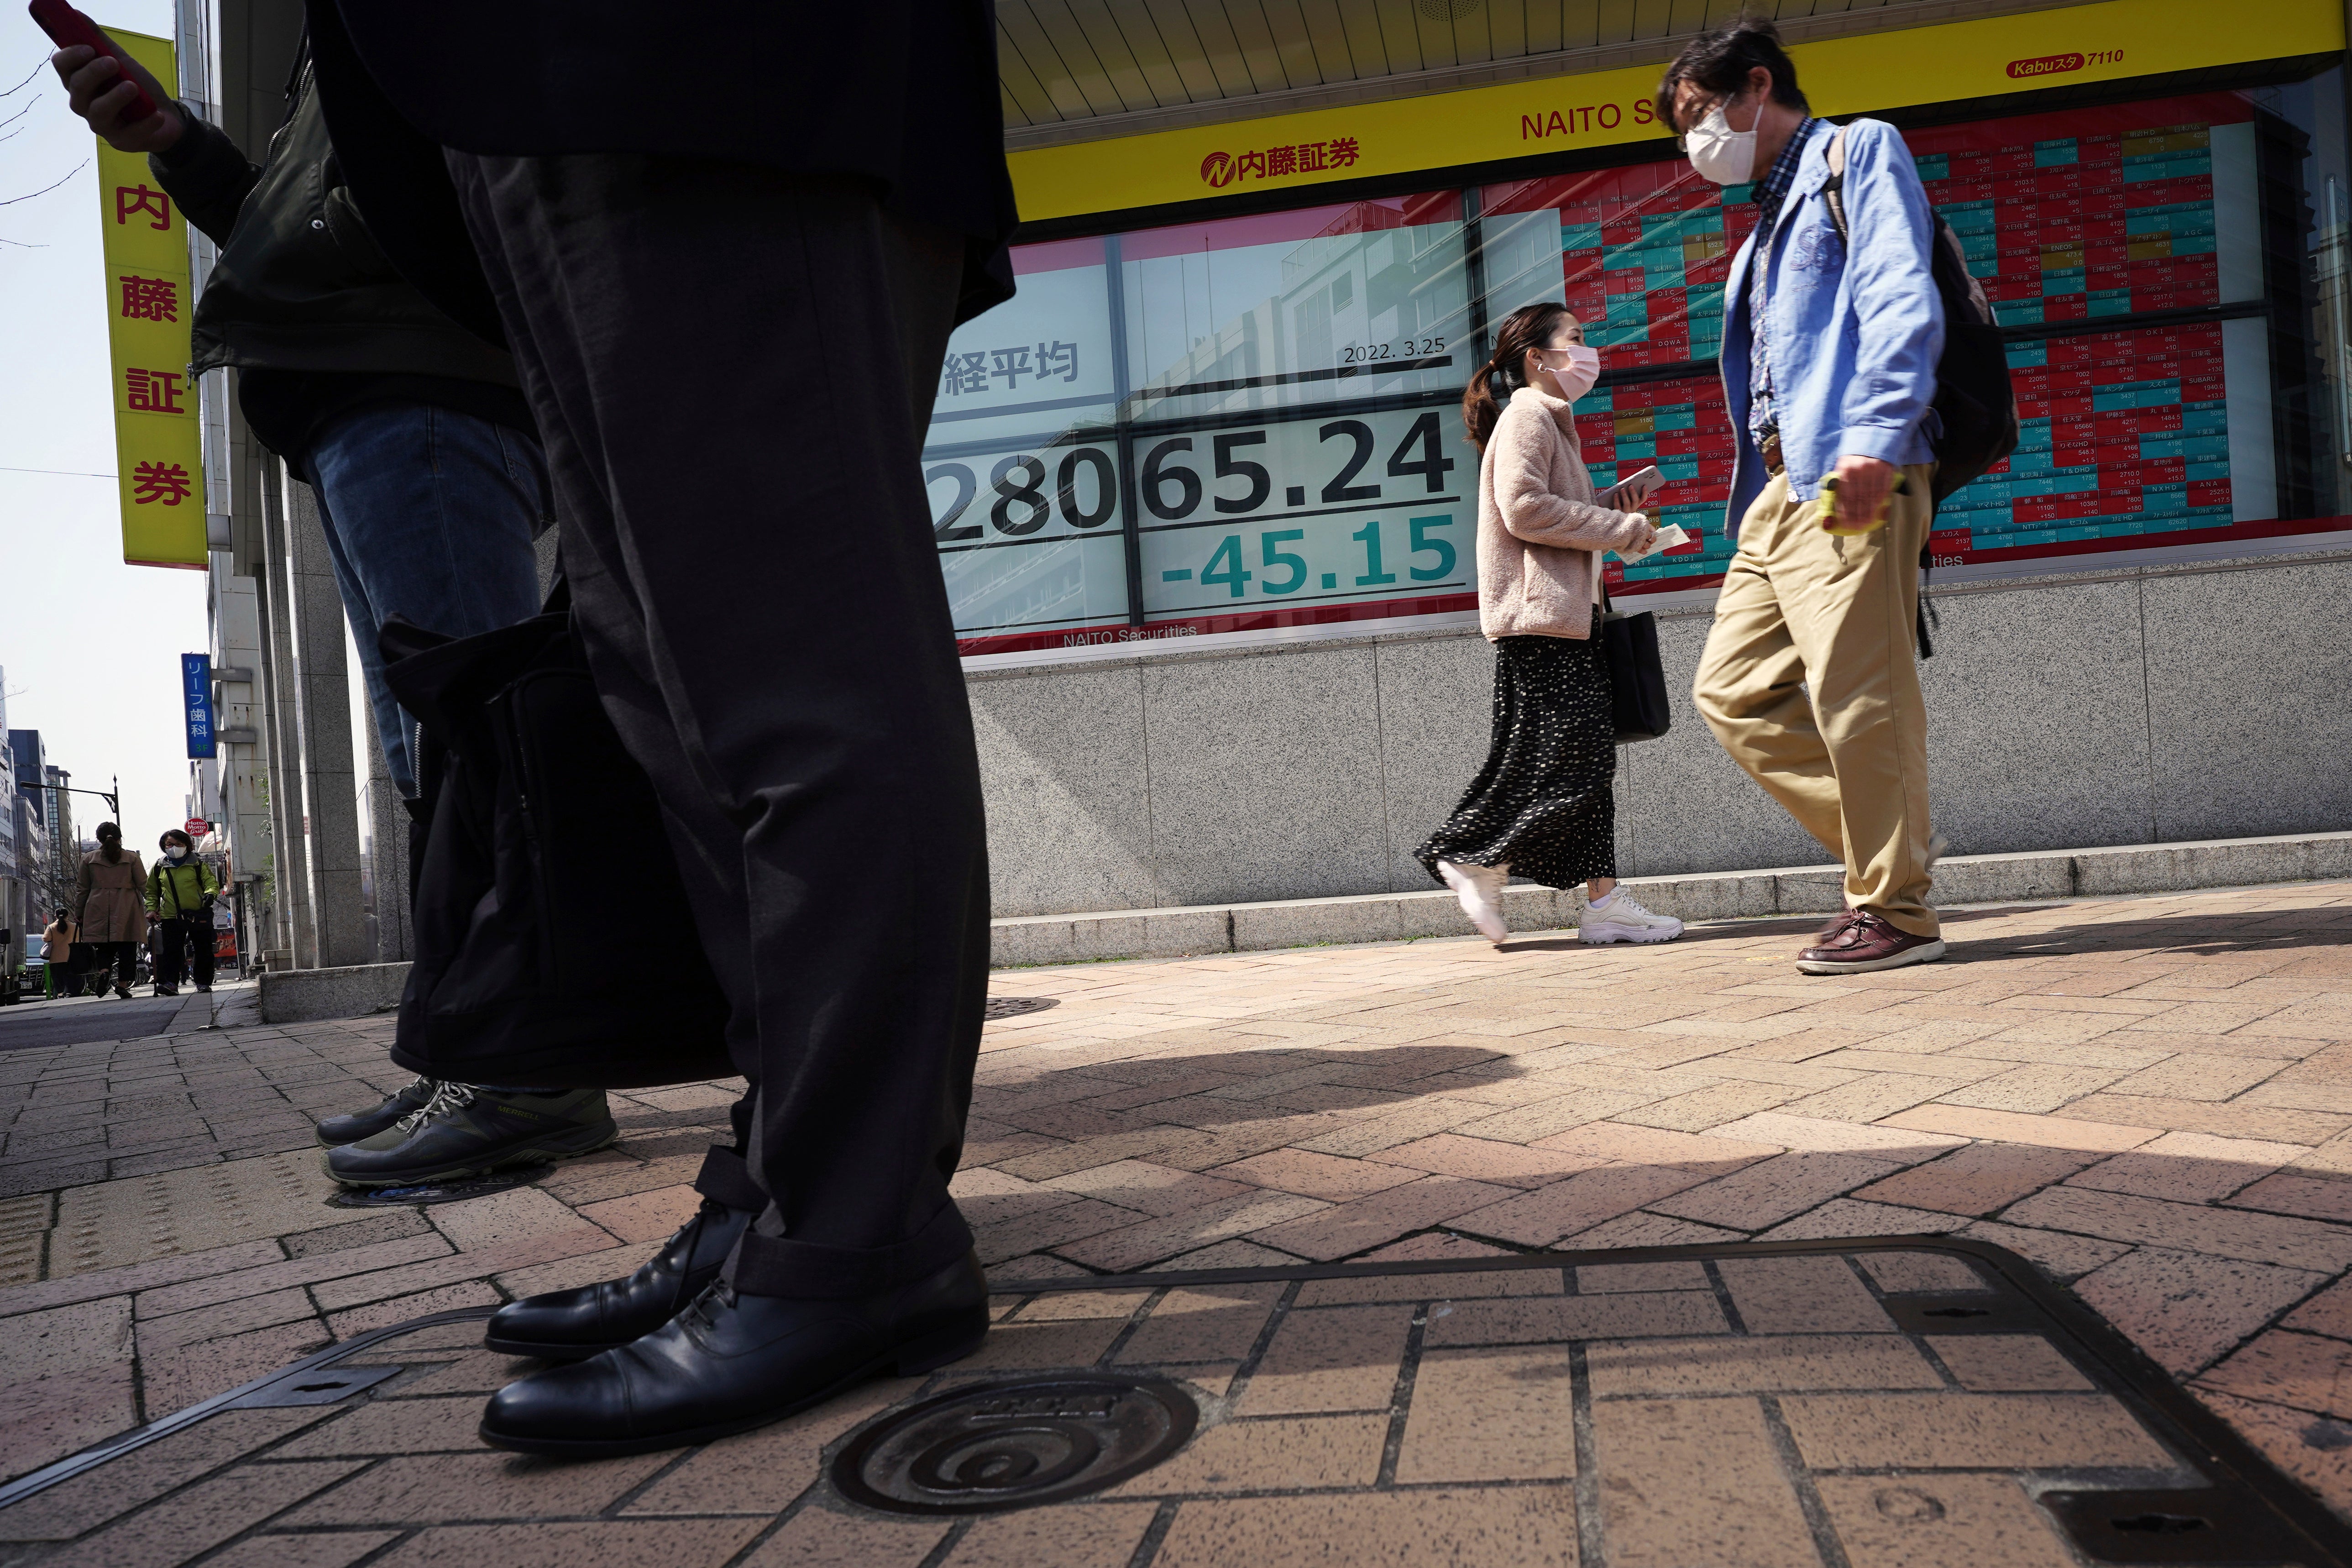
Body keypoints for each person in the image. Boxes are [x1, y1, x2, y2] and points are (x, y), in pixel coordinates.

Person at [315, 0, 1018, 1456]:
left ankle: (857, 1229)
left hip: (697, 67)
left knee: (791, 673)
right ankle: (784, 1186)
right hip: (529, 96)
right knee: (675, 690)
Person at [51, 31, 613, 1175]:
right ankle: (486, 1057)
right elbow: (306, 231)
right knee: (436, 764)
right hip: (371, 402)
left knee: (480, 752)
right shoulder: (334, 54)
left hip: (430, 388)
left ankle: (532, 1073)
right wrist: (177, 144)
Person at [1660, 19, 1949, 976]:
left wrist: (1873, 438)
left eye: (1698, 115)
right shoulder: (1759, 231)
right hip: (1776, 489)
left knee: (1855, 698)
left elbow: (1899, 294)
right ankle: (1890, 851)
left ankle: (1892, 905)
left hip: (1849, 468)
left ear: (1754, 86)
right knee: (1729, 692)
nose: (1691, 143)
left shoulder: (1852, 152)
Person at [1417, 304, 1687, 950]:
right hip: (1541, 621)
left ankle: (1605, 904)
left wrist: (1607, 511)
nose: (1587, 350)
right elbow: (1523, 508)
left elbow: (1551, 515)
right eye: (1576, 339)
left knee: (1585, 766)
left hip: (1566, 618)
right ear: (1538, 357)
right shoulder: (1529, 414)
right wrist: (1620, 528)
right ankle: (1471, 853)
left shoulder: (1551, 421)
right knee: (1567, 763)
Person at [74, 824, 146, 999]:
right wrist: (154, 906)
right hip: (127, 905)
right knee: (127, 947)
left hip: (97, 904)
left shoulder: (88, 859)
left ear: (99, 839)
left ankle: (105, 971)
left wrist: (79, 911)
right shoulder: (132, 858)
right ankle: (122, 985)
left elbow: (82, 888)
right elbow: (143, 884)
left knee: (103, 946)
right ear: (120, 837)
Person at [145, 830, 219, 996]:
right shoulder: (159, 867)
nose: (174, 848)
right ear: (164, 847)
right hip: (171, 915)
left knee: (203, 949)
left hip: (198, 914)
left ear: (187, 845)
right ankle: (171, 983)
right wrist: (151, 909)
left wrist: (210, 895)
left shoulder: (198, 865)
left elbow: (211, 883)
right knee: (172, 950)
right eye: (169, 845)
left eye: (179, 844)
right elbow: (151, 891)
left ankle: (203, 982)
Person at [40, 909, 78, 1001]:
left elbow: (46, 939)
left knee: (57, 977)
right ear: (67, 916)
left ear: (56, 916)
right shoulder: (74, 927)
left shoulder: (51, 927)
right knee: (70, 976)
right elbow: (79, 940)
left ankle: (60, 994)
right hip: (71, 956)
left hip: (56, 957)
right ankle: (68, 993)